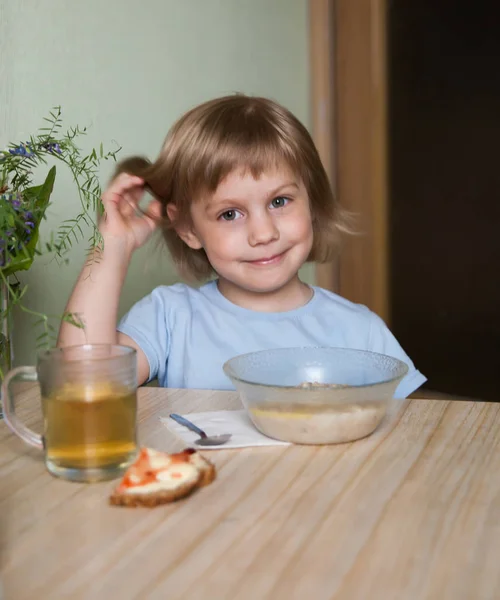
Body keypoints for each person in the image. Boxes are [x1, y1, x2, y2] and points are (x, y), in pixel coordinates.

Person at [58, 94, 426, 398]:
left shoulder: (360, 331)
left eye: (279, 202)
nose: (263, 233)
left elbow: (410, 434)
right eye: (230, 214)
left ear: (312, 202)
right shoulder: (171, 318)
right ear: (187, 228)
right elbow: (81, 384)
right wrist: (112, 247)